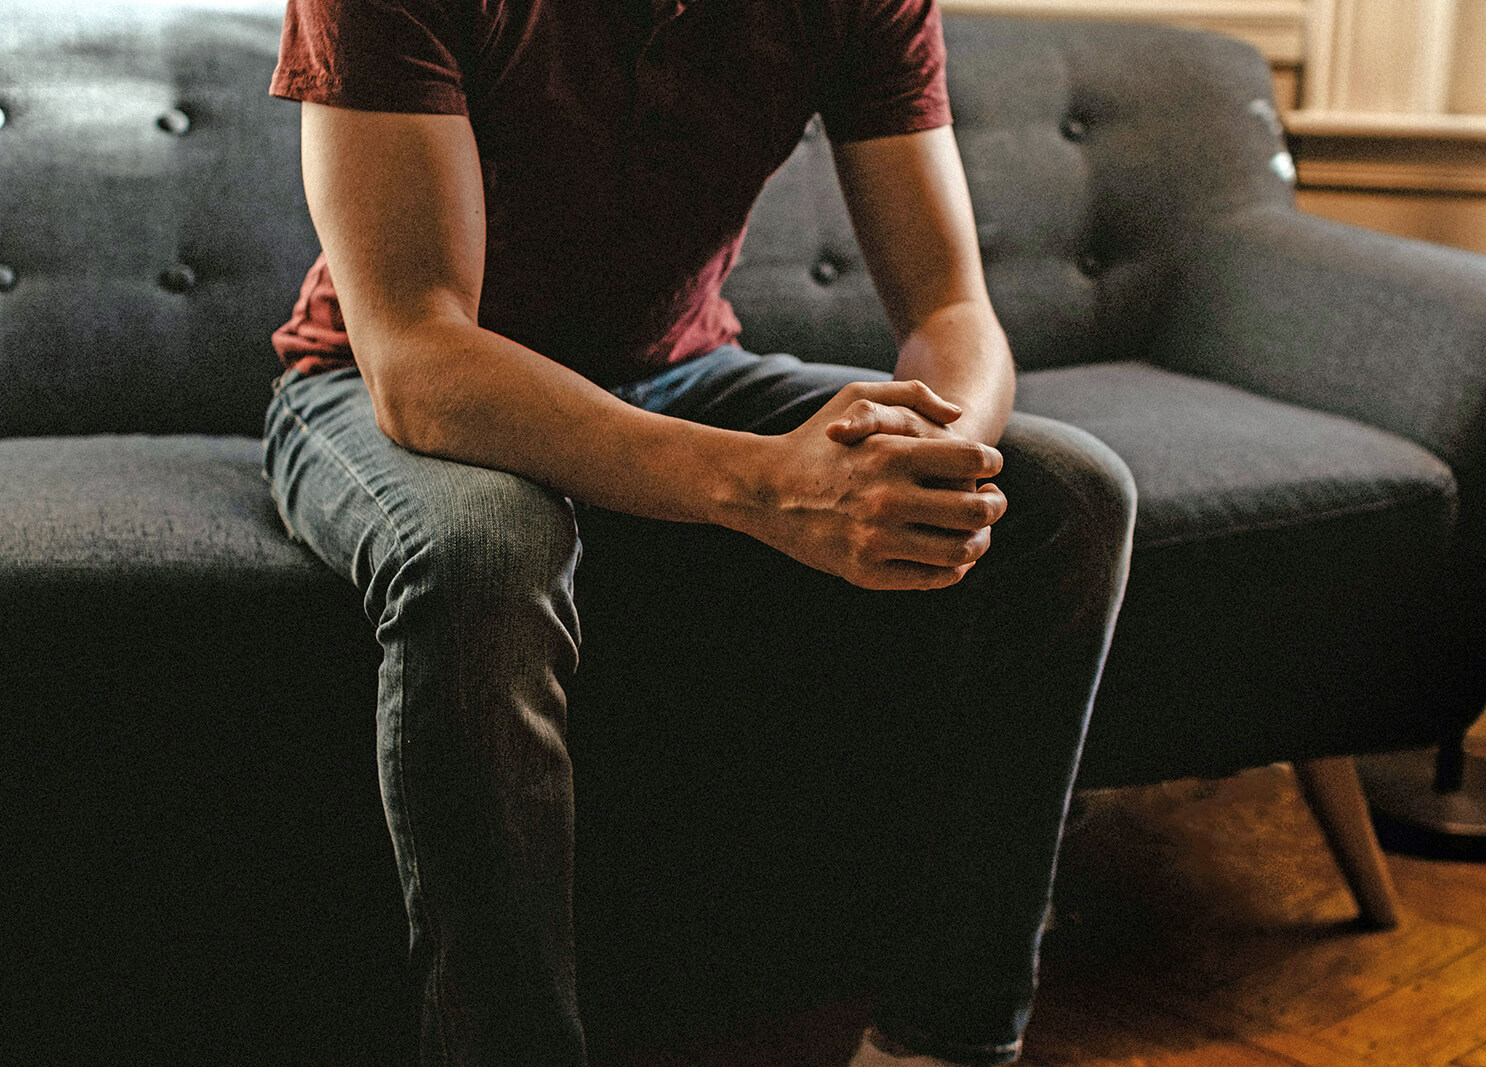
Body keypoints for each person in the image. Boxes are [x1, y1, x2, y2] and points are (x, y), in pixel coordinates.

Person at [263, 0, 1135, 1063]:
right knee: (486, 554)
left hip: (681, 371)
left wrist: (928, 458)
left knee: (1068, 496)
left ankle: (942, 1040)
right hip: (378, 379)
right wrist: (772, 487)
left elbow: (953, 310)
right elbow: (418, 358)